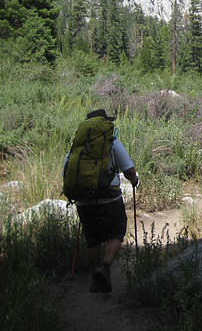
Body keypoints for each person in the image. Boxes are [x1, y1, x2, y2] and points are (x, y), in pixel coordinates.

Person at [64, 109, 139, 293]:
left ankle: (94, 278)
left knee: (93, 239)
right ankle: (104, 268)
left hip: (83, 199)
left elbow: (65, 172)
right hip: (109, 197)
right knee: (116, 232)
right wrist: (134, 180)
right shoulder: (112, 143)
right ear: (105, 124)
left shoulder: (77, 146)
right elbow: (128, 170)